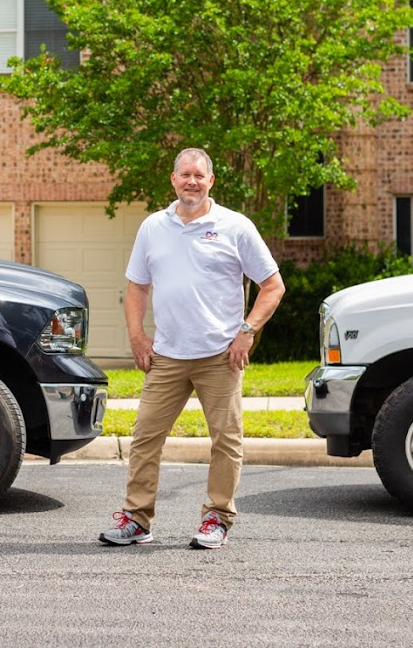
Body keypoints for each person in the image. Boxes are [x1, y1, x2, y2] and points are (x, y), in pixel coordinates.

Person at [98, 147, 285, 549]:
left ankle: (216, 519)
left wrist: (247, 331)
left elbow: (273, 285)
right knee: (145, 437)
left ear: (211, 181)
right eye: (185, 175)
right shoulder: (153, 227)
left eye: (199, 175)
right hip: (167, 354)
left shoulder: (235, 227)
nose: (192, 182)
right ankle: (137, 520)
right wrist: (137, 336)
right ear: (173, 179)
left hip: (220, 355)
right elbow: (137, 288)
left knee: (226, 440)